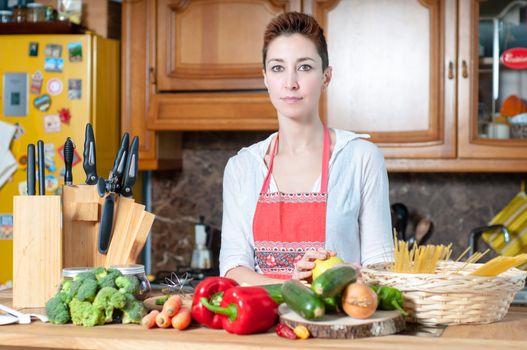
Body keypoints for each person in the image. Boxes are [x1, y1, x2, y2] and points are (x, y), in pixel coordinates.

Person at [219, 12, 393, 285]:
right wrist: (293, 287)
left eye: (304, 67)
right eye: (278, 68)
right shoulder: (242, 167)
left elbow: (381, 264)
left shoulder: (361, 158)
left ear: (326, 77)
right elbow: (232, 268)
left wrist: (347, 278)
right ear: (265, 78)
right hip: (260, 325)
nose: (291, 83)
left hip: (336, 324)